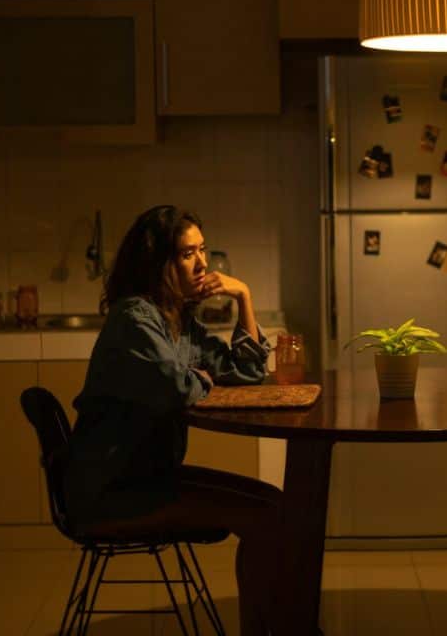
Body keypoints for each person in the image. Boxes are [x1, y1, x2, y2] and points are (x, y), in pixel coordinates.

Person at [64, 205, 279, 635]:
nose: (202, 264)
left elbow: (247, 372)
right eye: (186, 254)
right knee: (265, 515)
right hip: (113, 489)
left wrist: (244, 297)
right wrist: (198, 379)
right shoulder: (135, 318)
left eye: (202, 251)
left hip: (149, 477)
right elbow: (176, 388)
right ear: (158, 263)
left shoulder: (178, 320)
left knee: (273, 506)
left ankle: (278, 627)